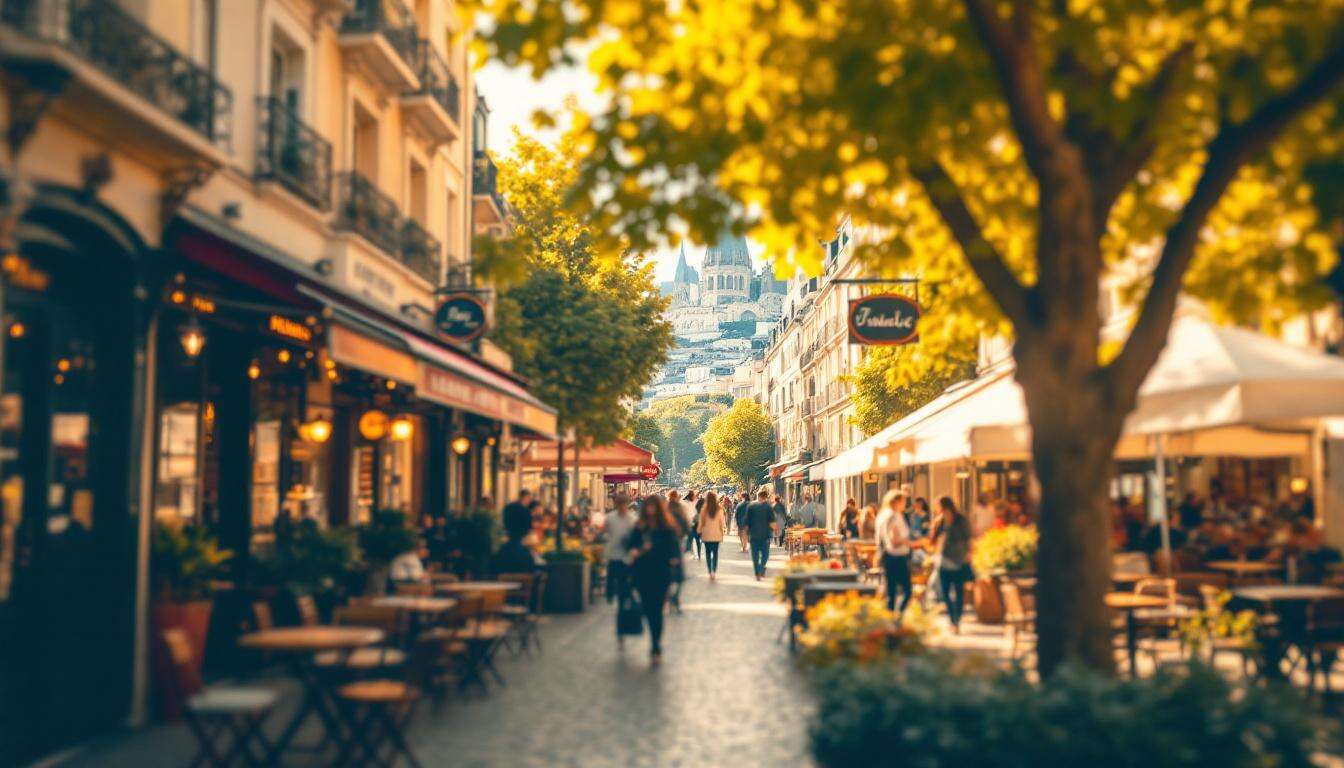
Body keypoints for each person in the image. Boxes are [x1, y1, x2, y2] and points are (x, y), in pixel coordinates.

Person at [626, 495, 682, 664]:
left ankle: (656, 645)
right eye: (648, 507)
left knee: (656, 610)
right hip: (642, 573)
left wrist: (672, 559)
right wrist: (636, 551)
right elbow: (630, 545)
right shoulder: (639, 527)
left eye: (653, 507)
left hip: (661, 573)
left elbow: (674, 550)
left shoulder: (667, 527)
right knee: (648, 609)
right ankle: (654, 642)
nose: (650, 510)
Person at [928, 496, 973, 632]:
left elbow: (967, 538)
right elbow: (932, 541)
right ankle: (952, 620)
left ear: (946, 507)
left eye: (939, 508)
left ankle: (957, 620)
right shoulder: (939, 522)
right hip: (943, 561)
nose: (939, 511)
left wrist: (968, 555)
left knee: (959, 592)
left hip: (959, 560)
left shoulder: (961, 520)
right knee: (946, 592)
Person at [875, 490, 913, 613]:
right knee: (907, 590)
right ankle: (898, 617)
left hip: (887, 555)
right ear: (896, 501)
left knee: (891, 591)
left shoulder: (883, 515)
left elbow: (881, 538)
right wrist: (909, 542)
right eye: (904, 501)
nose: (905, 504)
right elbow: (895, 541)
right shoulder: (894, 516)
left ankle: (890, 620)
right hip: (897, 556)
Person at [745, 488, 778, 580]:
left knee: (755, 554)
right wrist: (775, 530)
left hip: (753, 534)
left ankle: (757, 572)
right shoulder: (768, 507)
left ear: (758, 496)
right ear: (765, 497)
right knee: (765, 554)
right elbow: (772, 522)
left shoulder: (751, 507)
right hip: (765, 535)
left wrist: (746, 534)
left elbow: (747, 522)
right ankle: (761, 567)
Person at [697, 491, 727, 580]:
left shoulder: (704, 509)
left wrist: (699, 531)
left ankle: (710, 571)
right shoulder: (719, 509)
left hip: (706, 534)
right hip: (716, 534)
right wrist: (723, 533)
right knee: (715, 553)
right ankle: (714, 571)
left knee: (707, 552)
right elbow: (722, 523)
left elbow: (701, 523)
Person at [685, 490, 703, 560]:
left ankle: (692, 553)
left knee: (691, 539)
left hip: (693, 523)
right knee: (696, 539)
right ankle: (696, 553)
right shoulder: (695, 502)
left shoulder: (688, 502)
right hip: (695, 523)